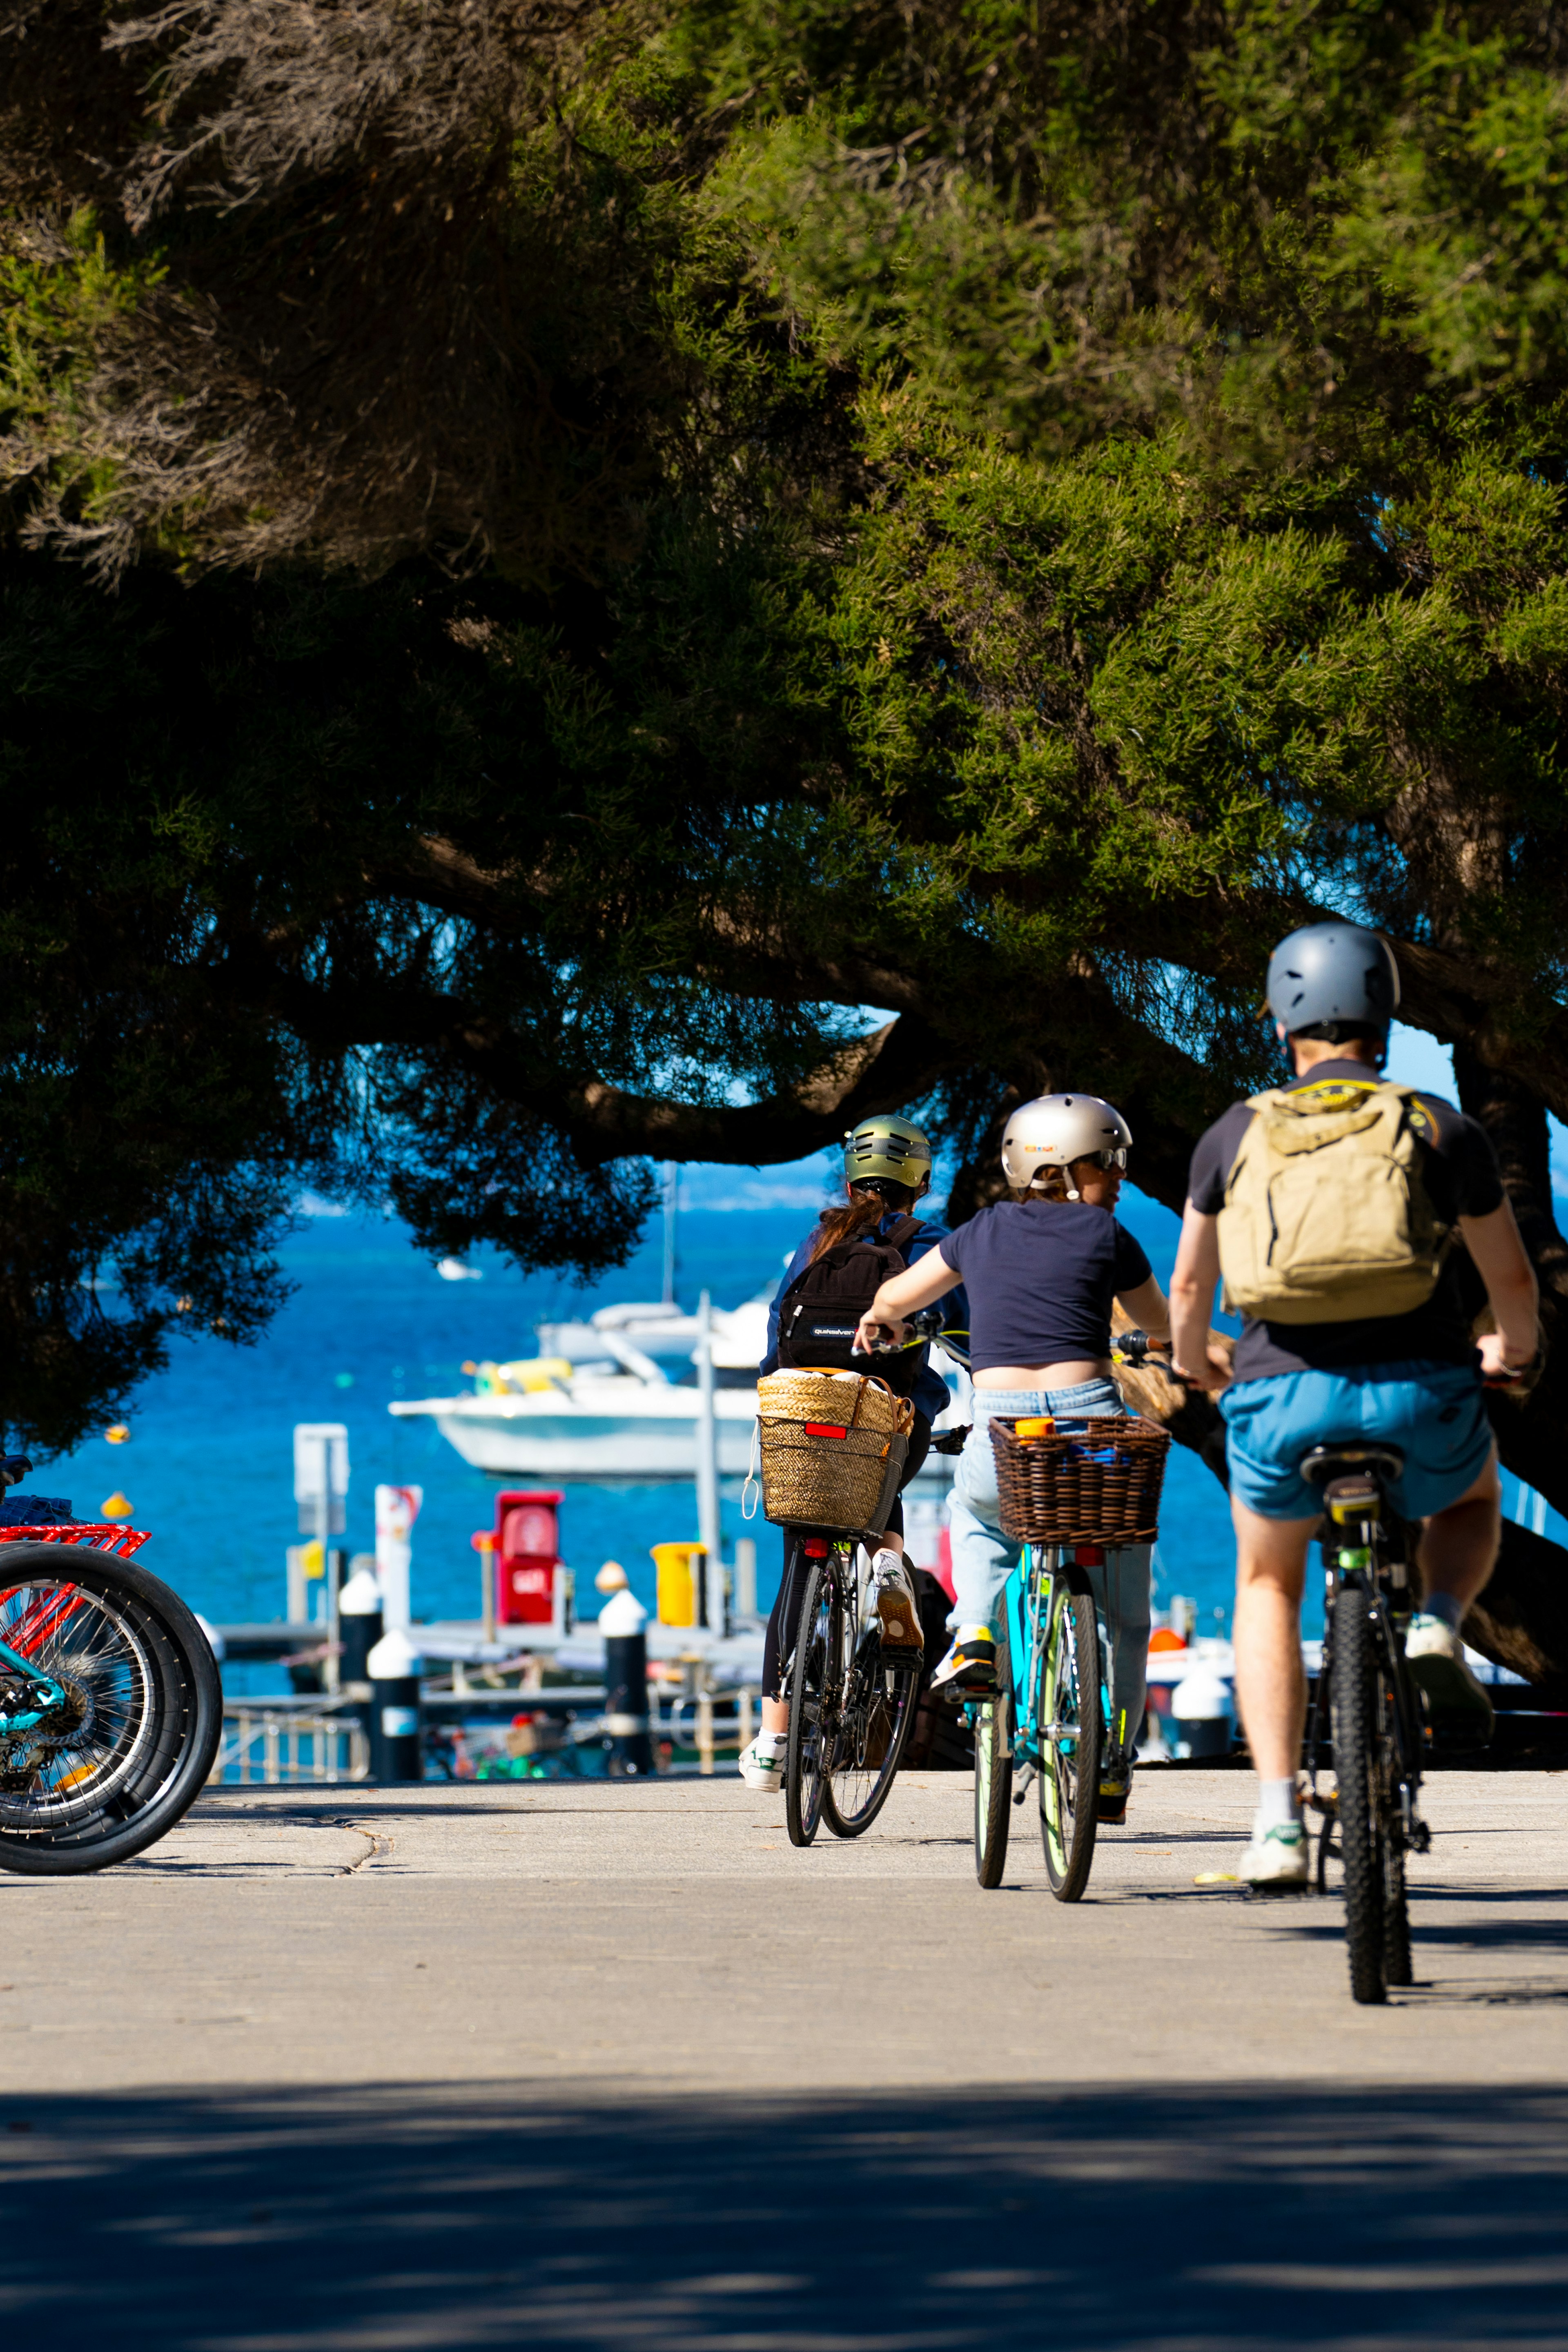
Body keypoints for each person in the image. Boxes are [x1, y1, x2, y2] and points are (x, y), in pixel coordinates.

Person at [1168, 921, 1540, 1889]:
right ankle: (1436, 1623)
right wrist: (1514, 1350)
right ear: (1386, 1013)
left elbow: (1187, 1293)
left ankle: (1279, 1822)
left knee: (1267, 1586)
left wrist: (1196, 1368)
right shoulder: (1438, 1125)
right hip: (1420, 1394)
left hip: (1279, 1401)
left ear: (1283, 1019)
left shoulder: (1235, 1133)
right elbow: (1512, 1281)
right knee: (1465, 1500)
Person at [853, 1095, 1172, 1824]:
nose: (1119, 1178)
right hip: (1089, 1432)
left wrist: (879, 1321)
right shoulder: (1109, 1236)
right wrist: (1168, 1347)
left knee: (976, 1513)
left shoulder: (980, 1232)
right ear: (1062, 1167)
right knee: (1123, 1613)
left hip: (1004, 1437)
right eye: (1108, 1162)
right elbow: (1157, 1326)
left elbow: (898, 1297)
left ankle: (975, 1634)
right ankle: (1113, 1766)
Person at [738, 1114, 969, 1795]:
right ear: (921, 1185)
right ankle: (888, 1562)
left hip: (804, 1415)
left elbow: (777, 1334)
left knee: (796, 1567)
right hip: (885, 1423)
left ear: (848, 1180)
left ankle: (773, 1743)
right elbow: (965, 1328)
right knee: (883, 1452)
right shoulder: (930, 1244)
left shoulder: (819, 1239)